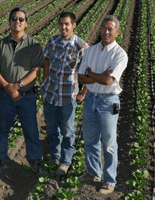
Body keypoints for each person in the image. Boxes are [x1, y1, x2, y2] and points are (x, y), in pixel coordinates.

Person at [78, 15, 128, 194]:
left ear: (117, 31)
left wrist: (92, 75)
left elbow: (108, 81)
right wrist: (96, 76)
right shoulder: (90, 51)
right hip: (90, 97)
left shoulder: (120, 54)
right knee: (90, 139)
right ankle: (93, 173)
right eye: (104, 28)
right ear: (100, 29)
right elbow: (80, 76)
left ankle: (109, 180)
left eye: (110, 29)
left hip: (108, 101)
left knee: (108, 143)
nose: (106, 32)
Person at [0, 7, 44, 171]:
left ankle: (35, 160)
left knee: (31, 129)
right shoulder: (0, 45)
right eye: (14, 18)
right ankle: (0, 158)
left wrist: (18, 86)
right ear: (9, 22)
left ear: (26, 23)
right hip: (5, 95)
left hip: (26, 95)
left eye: (21, 19)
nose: (17, 22)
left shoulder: (34, 45)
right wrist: (7, 87)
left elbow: (36, 70)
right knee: (1, 128)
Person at [40, 12, 88, 176]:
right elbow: (46, 61)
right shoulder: (52, 41)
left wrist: (84, 92)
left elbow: (90, 71)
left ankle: (65, 161)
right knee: (52, 130)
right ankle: (55, 156)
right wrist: (44, 82)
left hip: (68, 97)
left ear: (74, 25)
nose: (63, 27)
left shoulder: (81, 46)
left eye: (67, 24)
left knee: (67, 132)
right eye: (61, 24)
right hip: (50, 94)